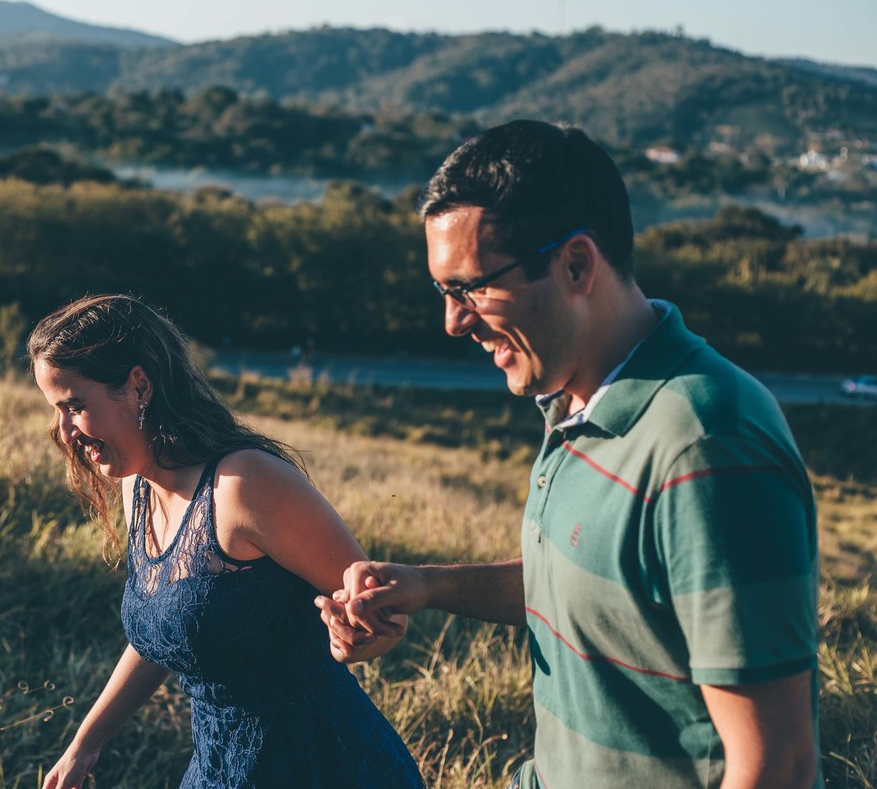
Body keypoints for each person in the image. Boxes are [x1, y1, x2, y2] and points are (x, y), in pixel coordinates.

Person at [316, 120, 822, 789]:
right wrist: (429, 586)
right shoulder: (577, 399)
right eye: (445, 292)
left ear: (576, 265)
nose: (454, 320)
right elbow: (598, 586)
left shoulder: (707, 448)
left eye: (470, 287)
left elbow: (777, 767)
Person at [28, 294, 423, 789]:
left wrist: (358, 638)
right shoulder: (139, 489)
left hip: (325, 763)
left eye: (74, 406)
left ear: (138, 386)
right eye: (56, 410)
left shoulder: (247, 485)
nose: (64, 432)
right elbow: (167, 628)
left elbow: (386, 615)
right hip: (223, 770)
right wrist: (85, 744)